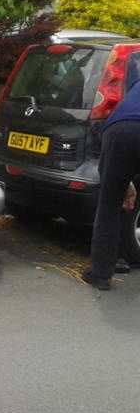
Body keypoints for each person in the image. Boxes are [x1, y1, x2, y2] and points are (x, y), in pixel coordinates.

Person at [82, 81, 140, 290]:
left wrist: (125, 185)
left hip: (118, 131)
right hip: (120, 129)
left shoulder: (135, 85)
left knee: (108, 205)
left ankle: (100, 274)